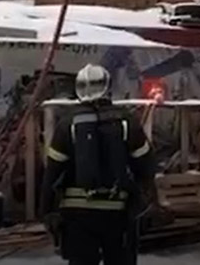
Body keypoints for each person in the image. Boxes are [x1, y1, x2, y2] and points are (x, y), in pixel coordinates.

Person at [41, 64, 155, 265]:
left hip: (77, 216)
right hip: (118, 213)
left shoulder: (68, 124)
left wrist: (47, 212)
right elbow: (146, 168)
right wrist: (144, 202)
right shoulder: (127, 122)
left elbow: (52, 173)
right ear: (108, 87)